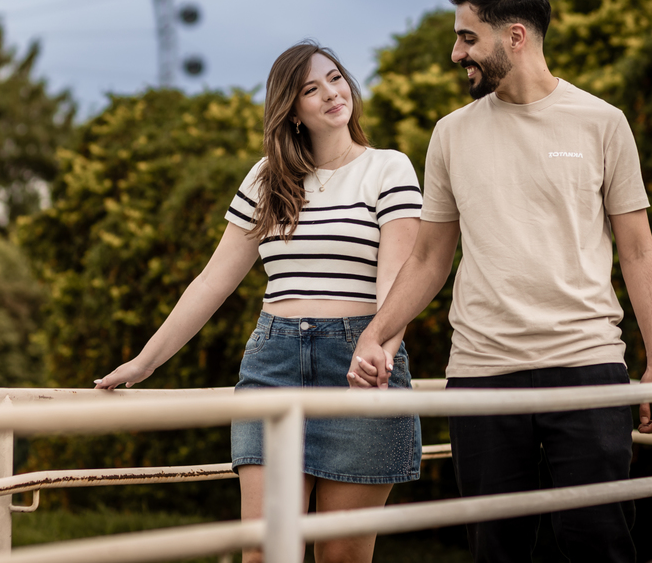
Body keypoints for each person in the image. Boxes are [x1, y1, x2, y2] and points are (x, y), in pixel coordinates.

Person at [347, 0, 652, 562]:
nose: (455, 52)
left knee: (599, 544)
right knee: (497, 551)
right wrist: (376, 333)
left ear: (514, 37)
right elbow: (428, 256)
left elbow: (639, 249)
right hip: (481, 376)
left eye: (468, 38)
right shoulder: (449, 135)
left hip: (586, 366)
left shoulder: (602, 123)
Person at [96, 40, 423, 563]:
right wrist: (145, 360)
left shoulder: (389, 168)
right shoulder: (266, 179)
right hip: (275, 363)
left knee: (342, 556)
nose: (332, 94)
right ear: (291, 110)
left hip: (360, 364)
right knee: (266, 554)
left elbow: (399, 283)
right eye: (311, 90)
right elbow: (211, 283)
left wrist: (378, 347)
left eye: (336, 79)